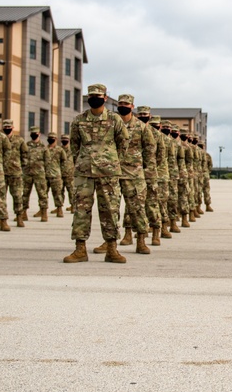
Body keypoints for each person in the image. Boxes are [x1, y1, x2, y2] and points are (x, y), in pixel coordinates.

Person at [63, 83, 129, 264]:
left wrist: (113, 162)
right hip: (84, 172)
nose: (95, 98)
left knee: (110, 209)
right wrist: (82, 161)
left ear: (105, 98)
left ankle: (112, 249)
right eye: (91, 95)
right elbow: (74, 146)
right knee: (80, 210)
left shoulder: (115, 120)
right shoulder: (79, 120)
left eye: (98, 95)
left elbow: (123, 144)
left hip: (108, 172)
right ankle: (80, 249)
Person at [114, 94, 156, 254]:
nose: (123, 106)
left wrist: (149, 175)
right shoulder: (112, 124)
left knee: (137, 209)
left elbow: (150, 152)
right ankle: (110, 241)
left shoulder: (141, 127)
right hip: (113, 172)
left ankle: (141, 240)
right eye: (121, 103)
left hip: (134, 174)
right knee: (110, 209)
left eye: (126, 104)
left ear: (132, 106)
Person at [133, 106, 162, 246]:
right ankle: (131, 233)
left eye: (145, 114)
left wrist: (151, 168)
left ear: (149, 116)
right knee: (133, 205)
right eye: (140, 114)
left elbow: (161, 156)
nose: (143, 116)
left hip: (150, 173)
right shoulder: (132, 129)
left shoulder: (156, 134)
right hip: (133, 172)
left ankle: (156, 232)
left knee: (151, 203)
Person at [1, 119, 29, 226]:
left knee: (17, 196)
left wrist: (21, 166)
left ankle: (19, 217)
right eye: (5, 127)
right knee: (1, 197)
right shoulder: (0, 139)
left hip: (15, 172)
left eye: (9, 127)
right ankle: (0, 218)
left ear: (13, 127)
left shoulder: (19, 140)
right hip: (2, 172)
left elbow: (25, 154)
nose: (7, 129)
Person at [23, 126, 50, 221]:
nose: (34, 135)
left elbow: (47, 161)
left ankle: (44, 212)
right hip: (27, 173)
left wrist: (45, 173)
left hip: (39, 174)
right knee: (25, 194)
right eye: (32, 133)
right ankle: (23, 213)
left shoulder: (43, 147)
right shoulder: (26, 145)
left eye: (36, 133)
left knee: (42, 194)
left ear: (39, 134)